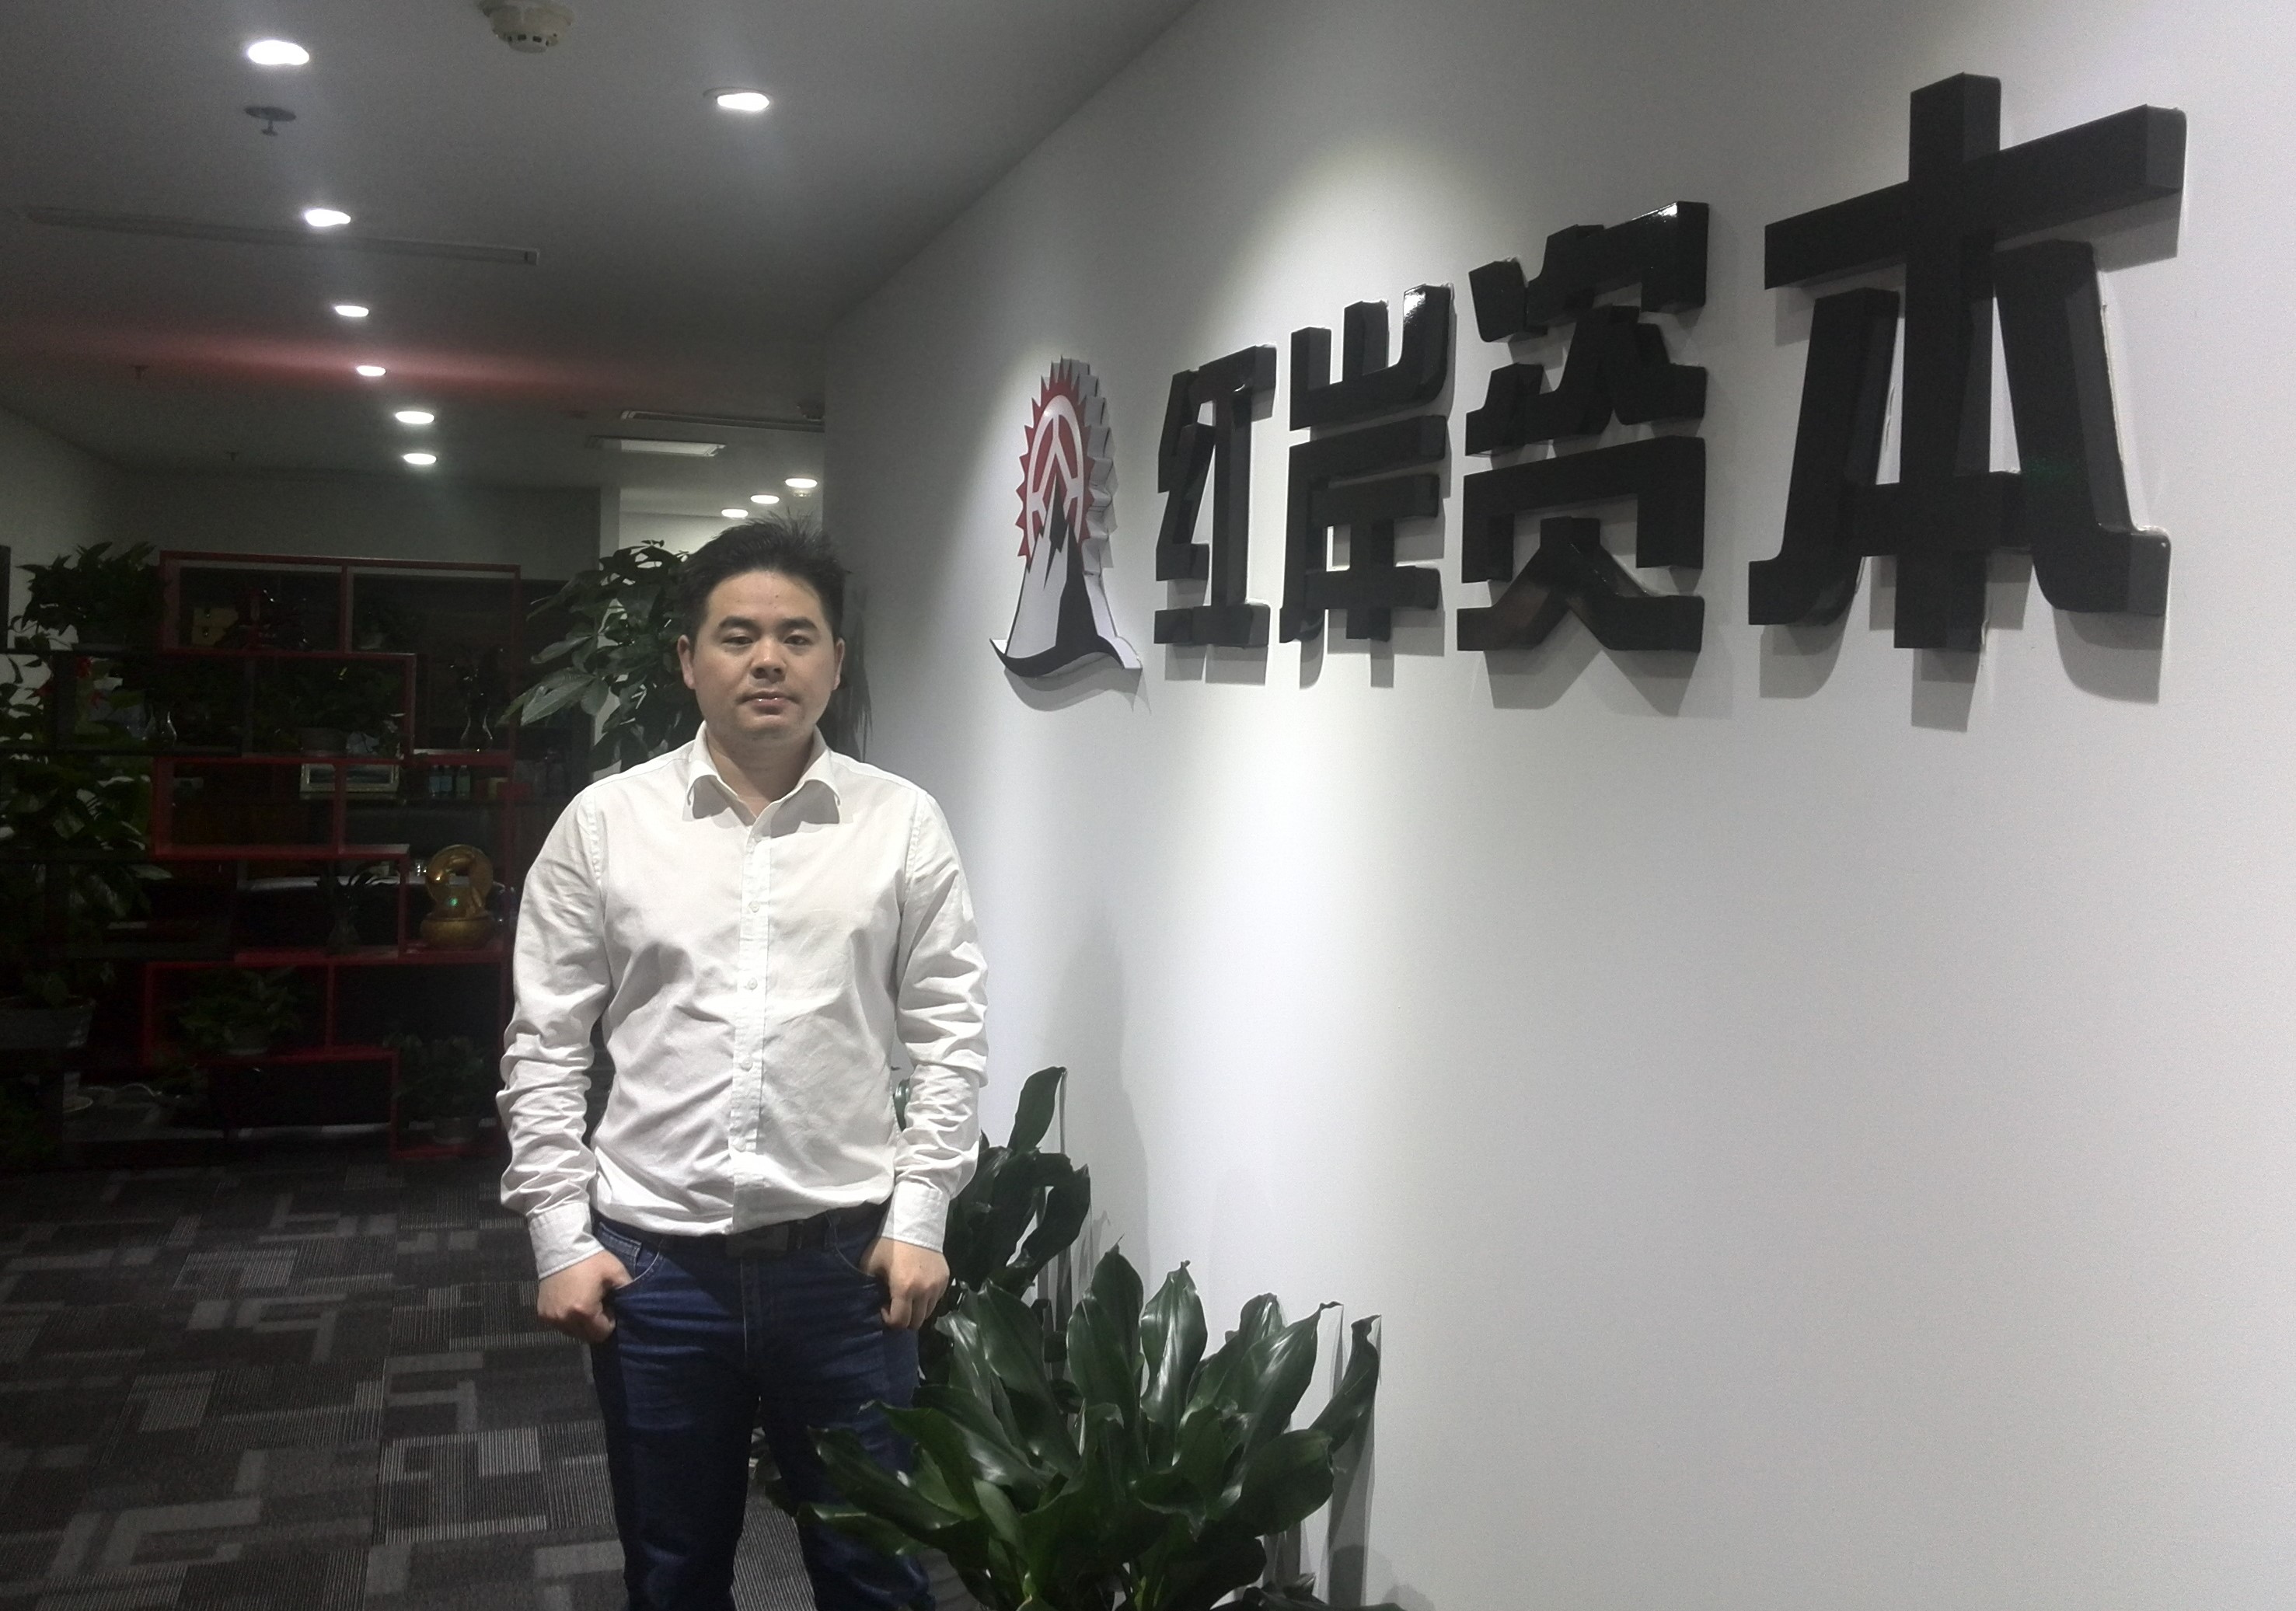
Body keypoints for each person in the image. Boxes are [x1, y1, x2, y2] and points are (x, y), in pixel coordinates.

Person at [497, 518, 986, 1611]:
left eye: (796, 636)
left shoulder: (900, 823)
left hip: (846, 1272)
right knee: (673, 1571)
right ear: (688, 659)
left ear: (836, 662)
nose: (769, 660)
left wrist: (920, 1217)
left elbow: (950, 1032)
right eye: (738, 636)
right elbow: (544, 1045)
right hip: (655, 1273)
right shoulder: (605, 824)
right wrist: (559, 1236)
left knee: (875, 1569)